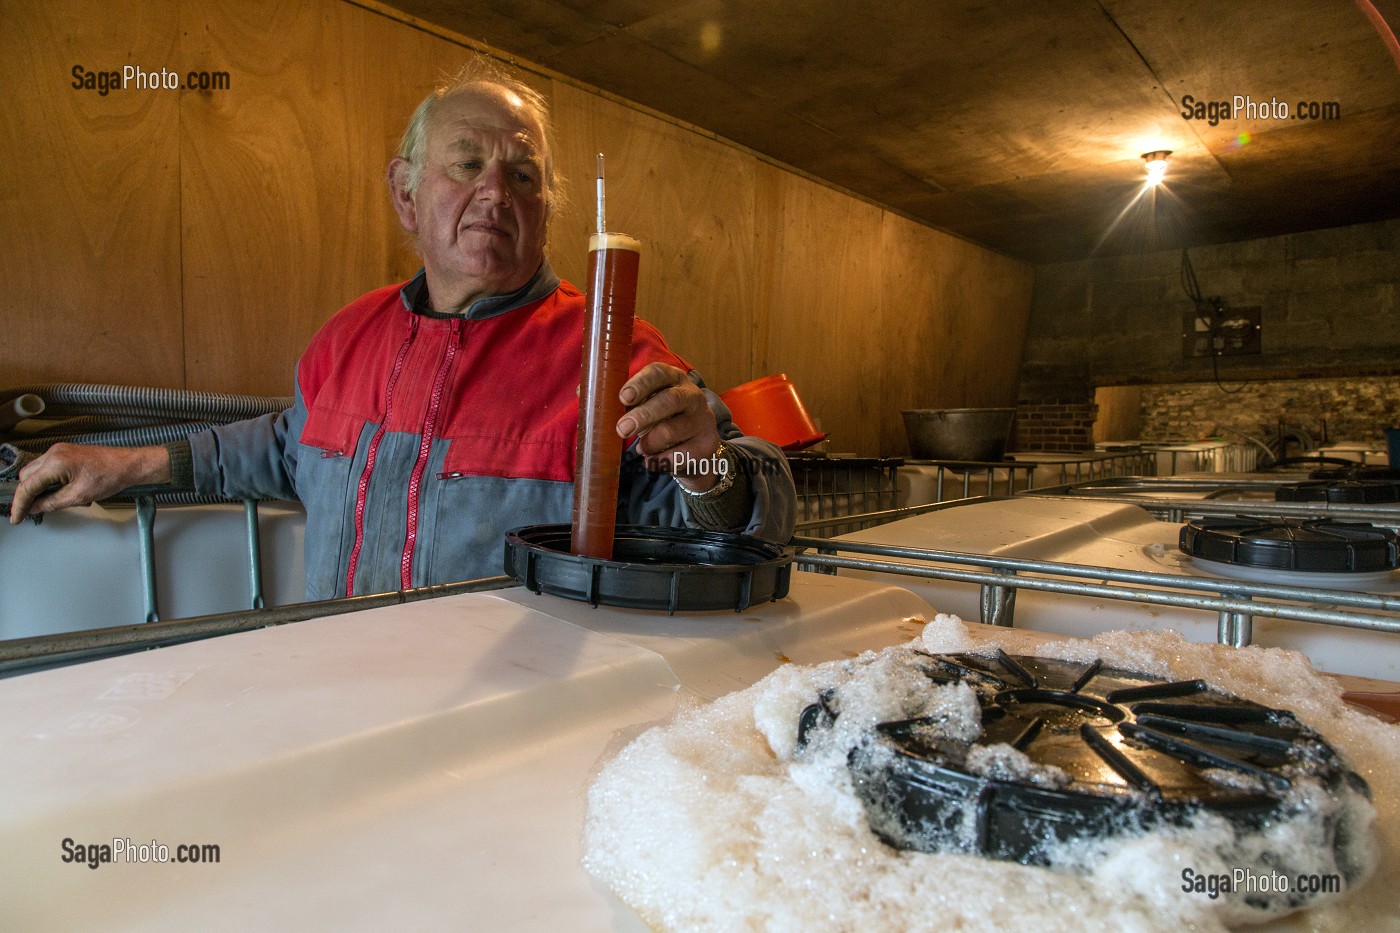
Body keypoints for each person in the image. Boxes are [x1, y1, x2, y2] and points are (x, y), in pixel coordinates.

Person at [9, 60, 796, 599]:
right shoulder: (349, 336)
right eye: (465, 164)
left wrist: (707, 465)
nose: (495, 192)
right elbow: (288, 447)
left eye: (522, 175)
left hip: (515, 729)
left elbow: (756, 520)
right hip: (341, 701)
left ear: (547, 211)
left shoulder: (615, 351)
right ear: (406, 191)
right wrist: (122, 461)